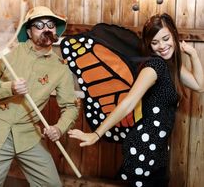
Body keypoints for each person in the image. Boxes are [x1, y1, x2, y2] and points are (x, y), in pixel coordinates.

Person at [68, 13, 204, 187]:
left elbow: (199, 85)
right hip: (143, 147)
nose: (162, 46)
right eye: (154, 43)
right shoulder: (155, 66)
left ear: (174, 35)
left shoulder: (171, 64)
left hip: (158, 149)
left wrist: (192, 53)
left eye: (166, 38)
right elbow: (128, 103)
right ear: (149, 45)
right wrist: (96, 134)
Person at [0, 6, 79, 187]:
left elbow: (71, 106)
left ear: (55, 31)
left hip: (28, 136)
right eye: (39, 25)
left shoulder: (61, 68)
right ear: (29, 31)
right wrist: (8, 88)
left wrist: (59, 128)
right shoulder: (8, 53)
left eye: (50, 24)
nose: (46, 28)